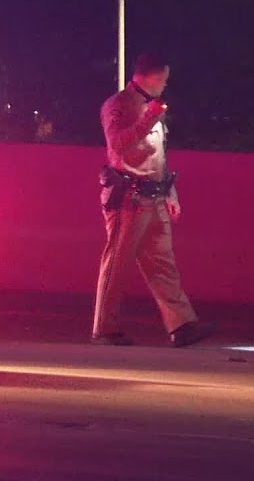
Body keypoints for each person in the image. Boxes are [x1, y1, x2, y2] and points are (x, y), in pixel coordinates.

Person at [92, 54, 214, 348]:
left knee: (163, 264)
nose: (166, 84)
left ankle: (182, 325)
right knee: (117, 264)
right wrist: (147, 120)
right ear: (152, 77)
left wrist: (171, 192)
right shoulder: (118, 105)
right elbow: (118, 145)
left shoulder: (153, 108)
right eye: (164, 79)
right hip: (129, 198)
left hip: (155, 195)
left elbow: (158, 156)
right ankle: (104, 329)